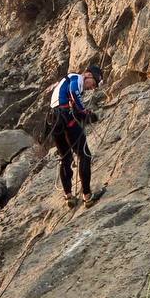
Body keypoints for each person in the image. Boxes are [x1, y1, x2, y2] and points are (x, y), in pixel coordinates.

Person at [47, 63, 103, 208]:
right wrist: (85, 113)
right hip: (65, 117)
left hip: (53, 120)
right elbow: (73, 93)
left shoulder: (64, 84)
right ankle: (87, 196)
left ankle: (69, 196)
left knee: (65, 157)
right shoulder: (75, 78)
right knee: (84, 154)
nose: (93, 87)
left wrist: (83, 114)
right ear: (88, 75)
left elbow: (70, 102)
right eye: (94, 83)